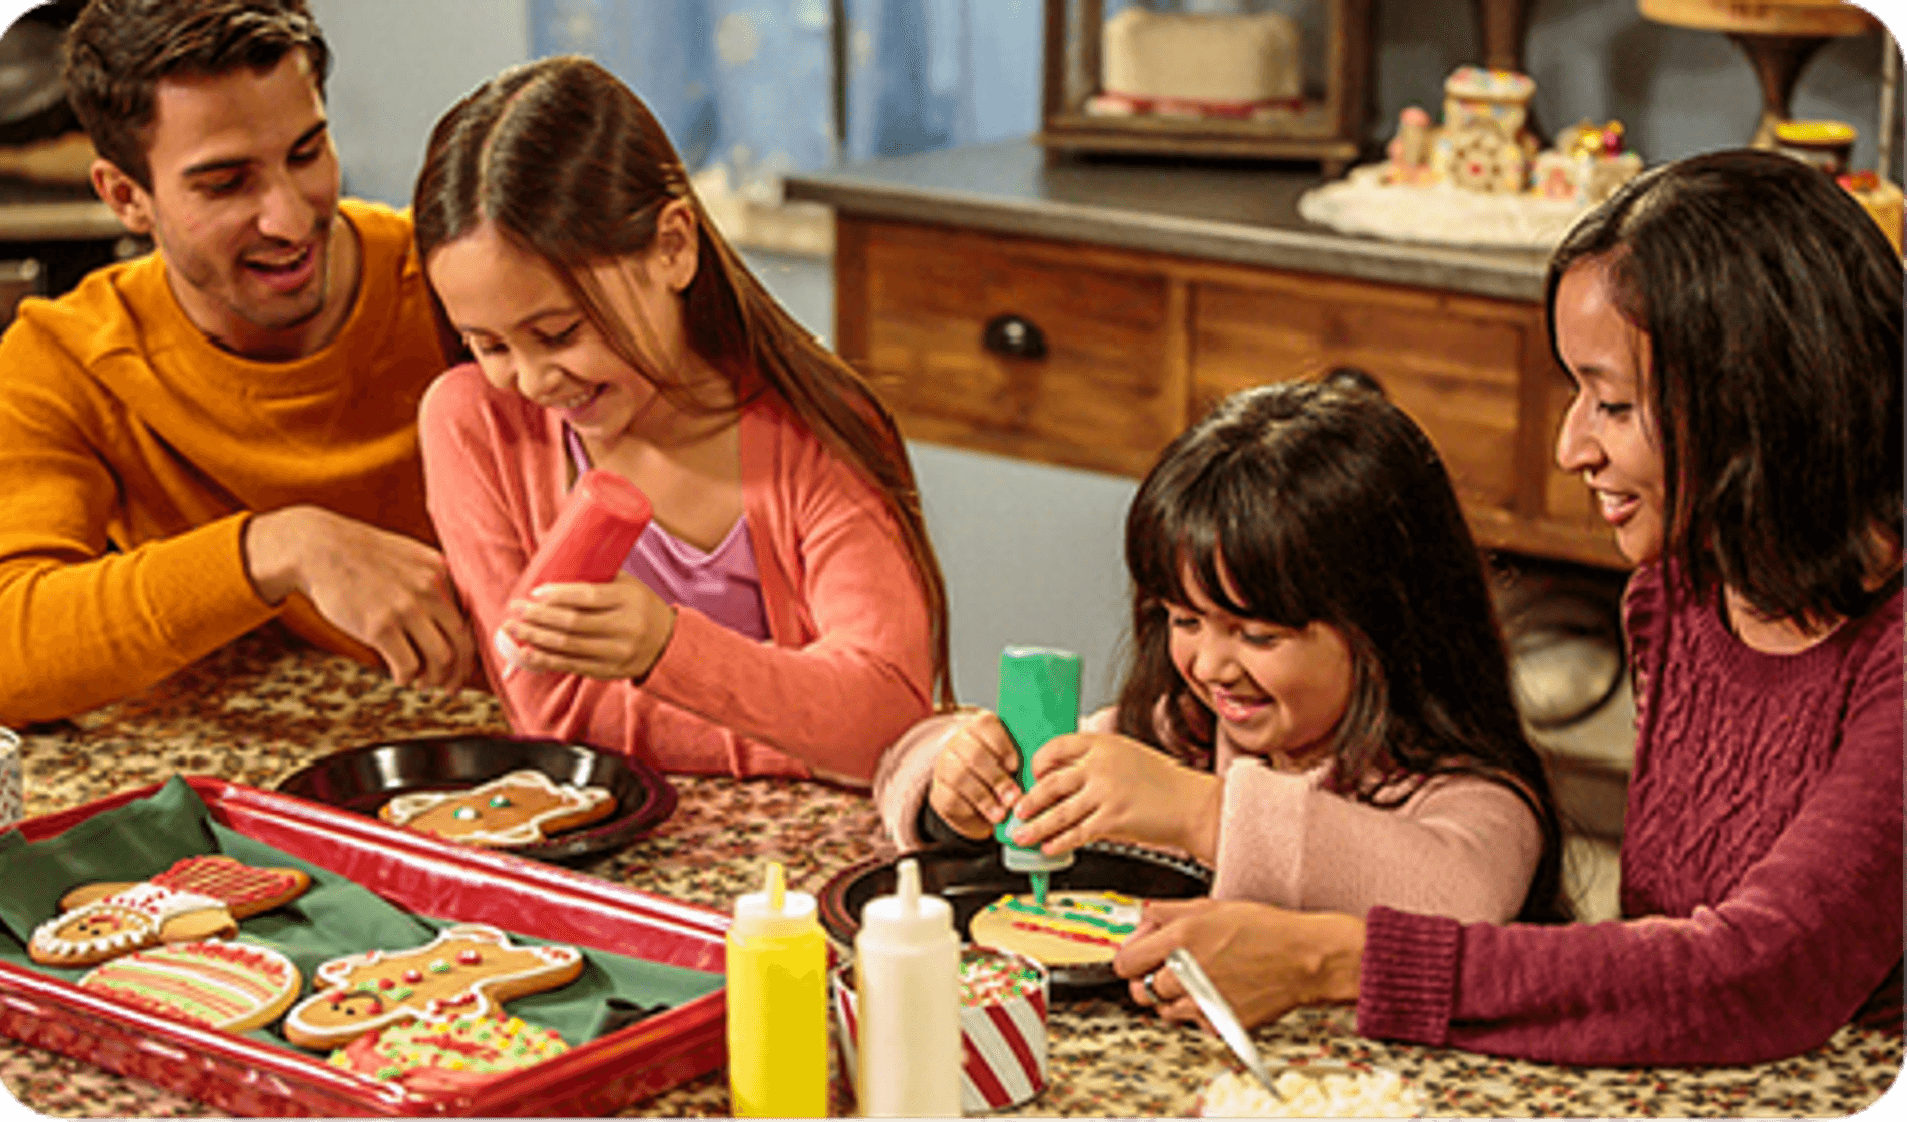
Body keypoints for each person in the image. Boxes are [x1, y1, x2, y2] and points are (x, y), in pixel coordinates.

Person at [1114, 149, 1905, 1066]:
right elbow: (1652, 951)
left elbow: (1752, 978)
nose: (1573, 446)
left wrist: (1331, 958)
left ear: (1755, 405)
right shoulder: (1680, 592)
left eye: (1610, 403)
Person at [412, 57, 951, 782]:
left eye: (561, 332)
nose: (534, 381)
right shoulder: (475, 423)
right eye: (489, 344)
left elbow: (884, 718)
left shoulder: (817, 432)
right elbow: (553, 718)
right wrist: (805, 738)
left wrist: (668, 650)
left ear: (673, 246)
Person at [875, 373, 1570, 926]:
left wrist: (1201, 814)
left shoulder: (1471, 795)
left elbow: (1461, 898)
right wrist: (954, 791)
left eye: (1258, 634)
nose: (1209, 666)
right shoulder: (1180, 735)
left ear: (1390, 622)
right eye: (1183, 620)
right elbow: (904, 761)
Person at [0, 0, 473, 727]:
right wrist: (273, 545)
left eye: (307, 154)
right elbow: (2, 652)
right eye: (225, 183)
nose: (290, 218)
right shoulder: (67, 356)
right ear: (125, 197)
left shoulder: (462, 285)